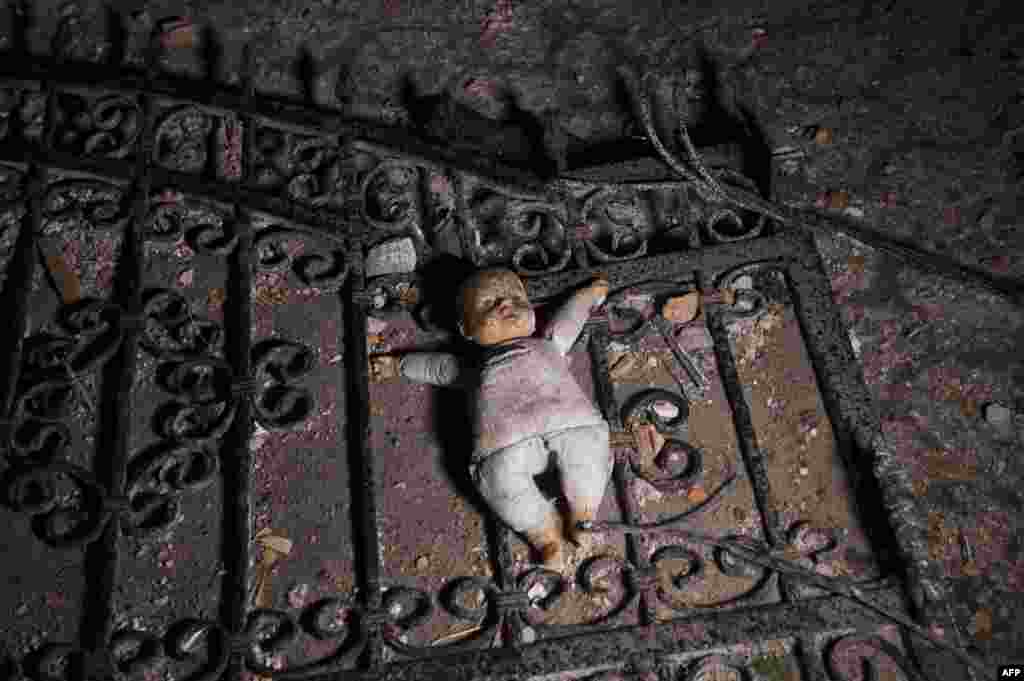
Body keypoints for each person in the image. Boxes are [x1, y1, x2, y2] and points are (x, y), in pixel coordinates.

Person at [370, 268, 611, 572]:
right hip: (504, 446)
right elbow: (438, 367)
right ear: (466, 330)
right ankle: (542, 532)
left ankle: (583, 514)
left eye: (514, 297)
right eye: (488, 304)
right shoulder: (475, 368)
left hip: (571, 425)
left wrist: (587, 296)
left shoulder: (550, 342)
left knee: (589, 451)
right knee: (498, 481)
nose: (504, 305)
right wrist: (400, 365)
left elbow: (569, 318)